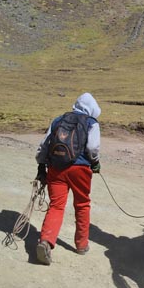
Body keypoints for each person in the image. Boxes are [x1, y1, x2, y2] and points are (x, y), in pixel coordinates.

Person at [34, 92, 102, 265]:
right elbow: (93, 147)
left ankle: (46, 241)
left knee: (56, 206)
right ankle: (81, 245)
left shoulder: (58, 120)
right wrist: (94, 162)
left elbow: (44, 145)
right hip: (80, 170)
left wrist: (41, 166)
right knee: (82, 205)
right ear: (92, 109)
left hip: (56, 168)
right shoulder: (91, 123)